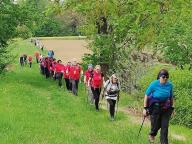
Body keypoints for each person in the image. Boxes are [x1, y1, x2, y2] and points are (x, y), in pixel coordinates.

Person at [143, 69, 174, 144]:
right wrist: (145, 108)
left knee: (165, 126)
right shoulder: (154, 84)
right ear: (159, 77)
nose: (165, 78)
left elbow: (171, 97)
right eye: (163, 77)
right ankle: (152, 134)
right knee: (155, 124)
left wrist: (172, 108)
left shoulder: (170, 85)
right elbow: (146, 95)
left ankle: (164, 142)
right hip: (155, 107)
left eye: (167, 77)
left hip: (166, 108)